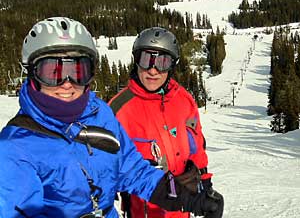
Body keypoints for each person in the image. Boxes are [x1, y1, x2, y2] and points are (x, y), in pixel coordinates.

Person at [0, 18, 223, 218]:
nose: (66, 83)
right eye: (52, 72)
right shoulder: (14, 148)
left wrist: (190, 199)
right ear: (32, 72)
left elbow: (133, 170)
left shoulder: (99, 114)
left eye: (78, 70)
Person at [109, 27, 224, 218]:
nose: (153, 70)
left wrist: (205, 186)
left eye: (163, 62)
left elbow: (196, 148)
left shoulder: (183, 100)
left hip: (182, 206)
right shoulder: (118, 109)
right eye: (146, 60)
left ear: (172, 65)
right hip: (144, 209)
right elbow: (107, 167)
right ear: (136, 60)